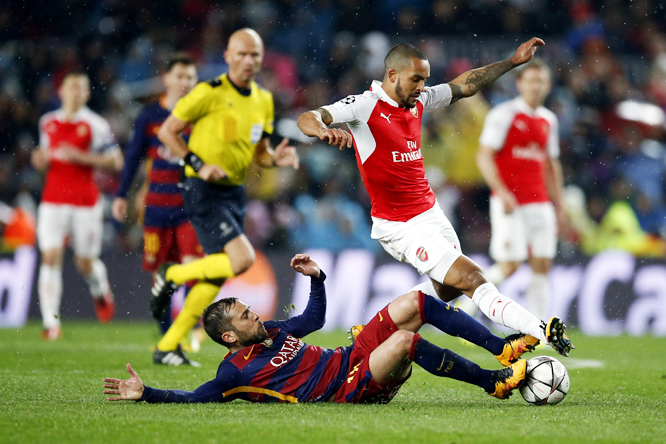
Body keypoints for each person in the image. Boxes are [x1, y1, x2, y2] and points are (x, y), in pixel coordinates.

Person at [296, 38, 574, 357]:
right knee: (472, 278)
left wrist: (511, 62)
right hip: (399, 224)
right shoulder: (364, 105)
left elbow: (464, 86)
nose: (422, 86)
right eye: (416, 79)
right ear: (392, 75)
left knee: (447, 289)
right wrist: (322, 130)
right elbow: (310, 116)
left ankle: (371, 333)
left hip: (431, 213)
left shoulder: (419, 100)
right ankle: (537, 330)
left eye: (425, 79)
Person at [103, 253, 536, 404]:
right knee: (406, 340)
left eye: (248, 309)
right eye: (244, 317)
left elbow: (314, 321)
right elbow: (195, 397)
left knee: (418, 301)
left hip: (350, 357)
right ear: (229, 337)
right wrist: (149, 394)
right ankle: (494, 383)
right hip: (349, 387)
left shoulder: (270, 330)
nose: (255, 315)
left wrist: (317, 280)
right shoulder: (234, 373)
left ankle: (501, 347)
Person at [151, 28, 299, 366]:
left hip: (233, 191)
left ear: (262, 59)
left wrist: (276, 159)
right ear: (228, 56)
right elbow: (167, 131)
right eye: (242, 54)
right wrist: (198, 164)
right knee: (242, 260)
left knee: (217, 275)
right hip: (202, 188)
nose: (249, 61)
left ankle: (168, 345)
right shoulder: (209, 91)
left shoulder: (263, 99)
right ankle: (171, 276)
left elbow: (260, 153)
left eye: (255, 55)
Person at [112, 54, 203, 337]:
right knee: (163, 274)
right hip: (157, 208)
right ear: (167, 79)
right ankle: (166, 333)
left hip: (191, 207)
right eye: (179, 76)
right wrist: (121, 194)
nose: (184, 82)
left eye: (189, 77)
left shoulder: (202, 115)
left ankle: (187, 329)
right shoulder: (150, 116)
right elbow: (133, 157)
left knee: (192, 268)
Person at [31, 72, 123, 340]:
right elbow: (45, 158)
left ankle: (100, 290)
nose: (74, 92)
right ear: (61, 92)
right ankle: (51, 324)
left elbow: (115, 161)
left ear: (86, 94)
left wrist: (80, 156)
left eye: (79, 88)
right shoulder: (47, 122)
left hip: (84, 201)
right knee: (50, 256)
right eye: (70, 87)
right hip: (52, 200)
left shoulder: (95, 124)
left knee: (84, 262)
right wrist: (40, 160)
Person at [475, 58, 568, 320]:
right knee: (510, 265)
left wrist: (560, 206)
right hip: (510, 202)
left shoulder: (549, 120)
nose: (535, 87)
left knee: (543, 263)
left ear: (548, 85)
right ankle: (468, 306)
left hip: (539, 201)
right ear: (519, 84)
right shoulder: (503, 114)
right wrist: (501, 191)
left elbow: (551, 165)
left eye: (540, 81)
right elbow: (484, 155)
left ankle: (541, 326)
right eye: (530, 81)